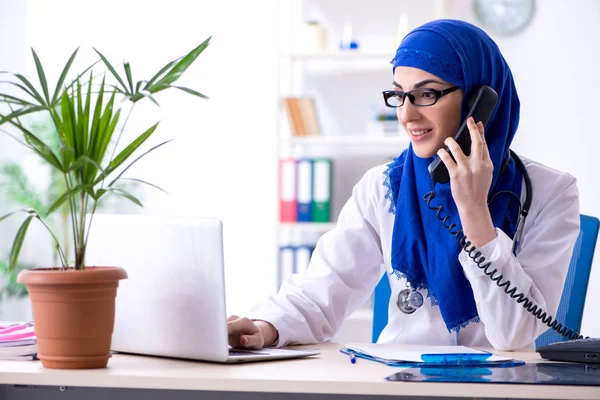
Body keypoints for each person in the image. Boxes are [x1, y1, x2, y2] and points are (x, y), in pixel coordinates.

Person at [227, 19, 580, 351]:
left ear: (479, 102)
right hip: (400, 384)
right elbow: (321, 293)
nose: (407, 115)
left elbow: (512, 334)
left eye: (426, 94)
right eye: (399, 95)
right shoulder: (383, 188)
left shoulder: (551, 193)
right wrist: (264, 327)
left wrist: (474, 212)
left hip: (498, 387)